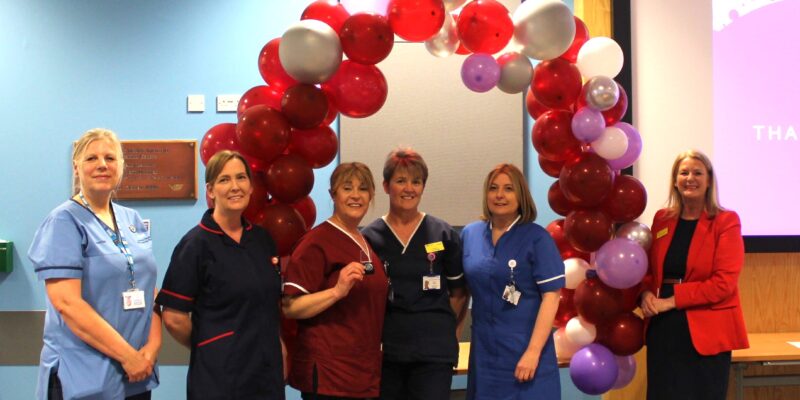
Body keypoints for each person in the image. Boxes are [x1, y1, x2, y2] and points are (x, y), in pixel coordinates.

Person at [28, 128, 160, 399]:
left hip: (137, 373)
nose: (102, 164)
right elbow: (68, 304)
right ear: (76, 168)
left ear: (121, 167)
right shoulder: (64, 222)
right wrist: (128, 357)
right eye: (91, 158)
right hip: (84, 375)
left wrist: (151, 349)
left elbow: (149, 290)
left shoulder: (131, 219)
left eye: (110, 158)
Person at [155, 150, 284, 399]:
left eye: (241, 178)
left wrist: (279, 346)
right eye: (224, 180)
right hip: (219, 378)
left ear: (251, 186)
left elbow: (268, 305)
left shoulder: (262, 240)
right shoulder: (195, 245)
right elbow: (173, 317)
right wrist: (212, 345)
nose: (235, 186)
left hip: (266, 374)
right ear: (211, 190)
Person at [640, 150, 748, 400]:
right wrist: (644, 293)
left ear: (709, 180)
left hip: (706, 331)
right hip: (663, 328)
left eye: (697, 173)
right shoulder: (662, 219)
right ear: (675, 181)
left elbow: (724, 284)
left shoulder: (726, 221)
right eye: (684, 172)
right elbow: (648, 270)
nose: (690, 178)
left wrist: (671, 301)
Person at [361, 149, 469, 400]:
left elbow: (459, 293)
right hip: (388, 352)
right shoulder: (370, 238)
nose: (409, 188)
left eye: (416, 182)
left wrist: (440, 329)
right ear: (386, 186)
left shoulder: (442, 234)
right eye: (400, 181)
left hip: (434, 352)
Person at [282, 162, 389, 400]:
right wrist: (336, 291)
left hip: (362, 374)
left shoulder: (364, 241)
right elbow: (290, 307)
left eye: (362, 188)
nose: (355, 195)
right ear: (333, 194)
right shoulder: (316, 242)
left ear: (371, 194)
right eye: (347, 188)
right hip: (330, 377)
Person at [460, 163, 564, 400]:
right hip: (484, 355)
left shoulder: (537, 238)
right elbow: (462, 291)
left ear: (521, 195)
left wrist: (533, 352)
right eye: (493, 188)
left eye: (508, 189)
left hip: (526, 353)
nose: (499, 195)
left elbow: (552, 296)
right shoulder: (470, 234)